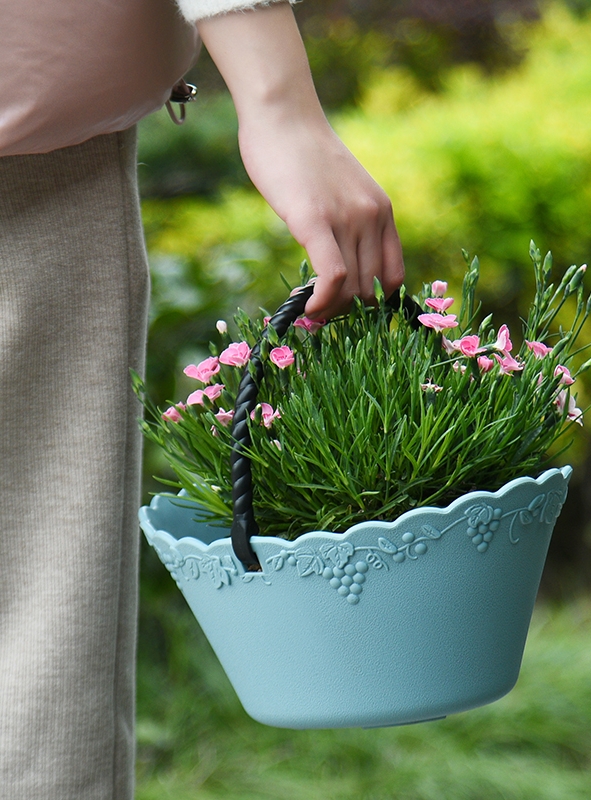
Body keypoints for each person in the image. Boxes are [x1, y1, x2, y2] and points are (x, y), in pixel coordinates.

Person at [0, 1, 404, 797]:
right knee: (31, 670)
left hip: (29, 171)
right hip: (32, 168)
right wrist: (277, 99)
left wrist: (278, 100)